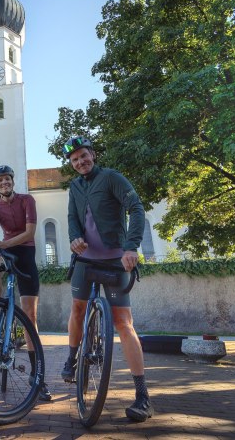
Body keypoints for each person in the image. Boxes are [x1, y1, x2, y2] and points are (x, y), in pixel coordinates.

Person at [60, 136, 153, 422]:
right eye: (74, 159)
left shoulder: (112, 177)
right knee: (77, 308)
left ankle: (142, 397)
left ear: (93, 155)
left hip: (115, 259)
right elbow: (72, 218)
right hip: (85, 261)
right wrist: (74, 238)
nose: (80, 162)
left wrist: (131, 247)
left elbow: (136, 208)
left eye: (84, 156)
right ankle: (73, 357)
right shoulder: (74, 187)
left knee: (123, 323)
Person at [0, 164, 52, 402]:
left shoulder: (27, 200)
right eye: (0, 181)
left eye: (7, 179)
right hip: (6, 251)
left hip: (25, 253)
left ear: (12, 181)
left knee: (30, 316)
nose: (4, 183)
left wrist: (2, 244)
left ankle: (37, 375)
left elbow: (30, 233)